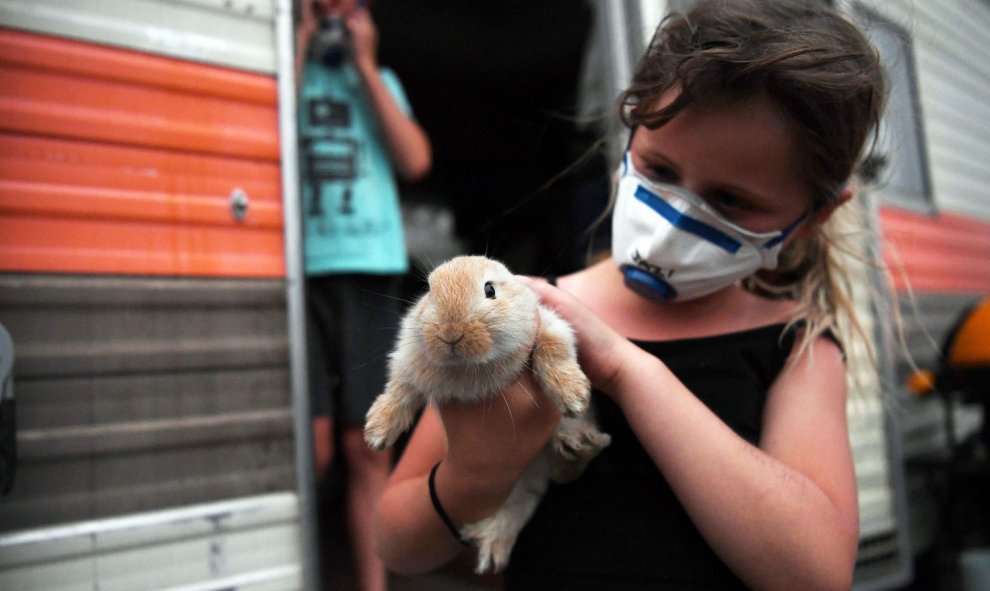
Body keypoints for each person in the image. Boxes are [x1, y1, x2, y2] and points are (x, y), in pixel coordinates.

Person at [372, 0, 887, 589]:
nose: (670, 222)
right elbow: (396, 542)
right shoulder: (532, 312)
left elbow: (816, 574)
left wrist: (624, 369)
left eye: (731, 201)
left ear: (815, 217)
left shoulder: (798, 347)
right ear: (631, 132)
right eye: (660, 171)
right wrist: (470, 476)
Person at [295, 1, 431, 590]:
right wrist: (296, 47)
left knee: (366, 444)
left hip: (370, 270)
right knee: (311, 447)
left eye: (346, 6)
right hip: (299, 273)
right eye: (320, 5)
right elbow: (255, 139)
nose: (334, 14)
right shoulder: (280, 73)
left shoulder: (381, 79)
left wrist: (367, 66)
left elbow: (415, 159)